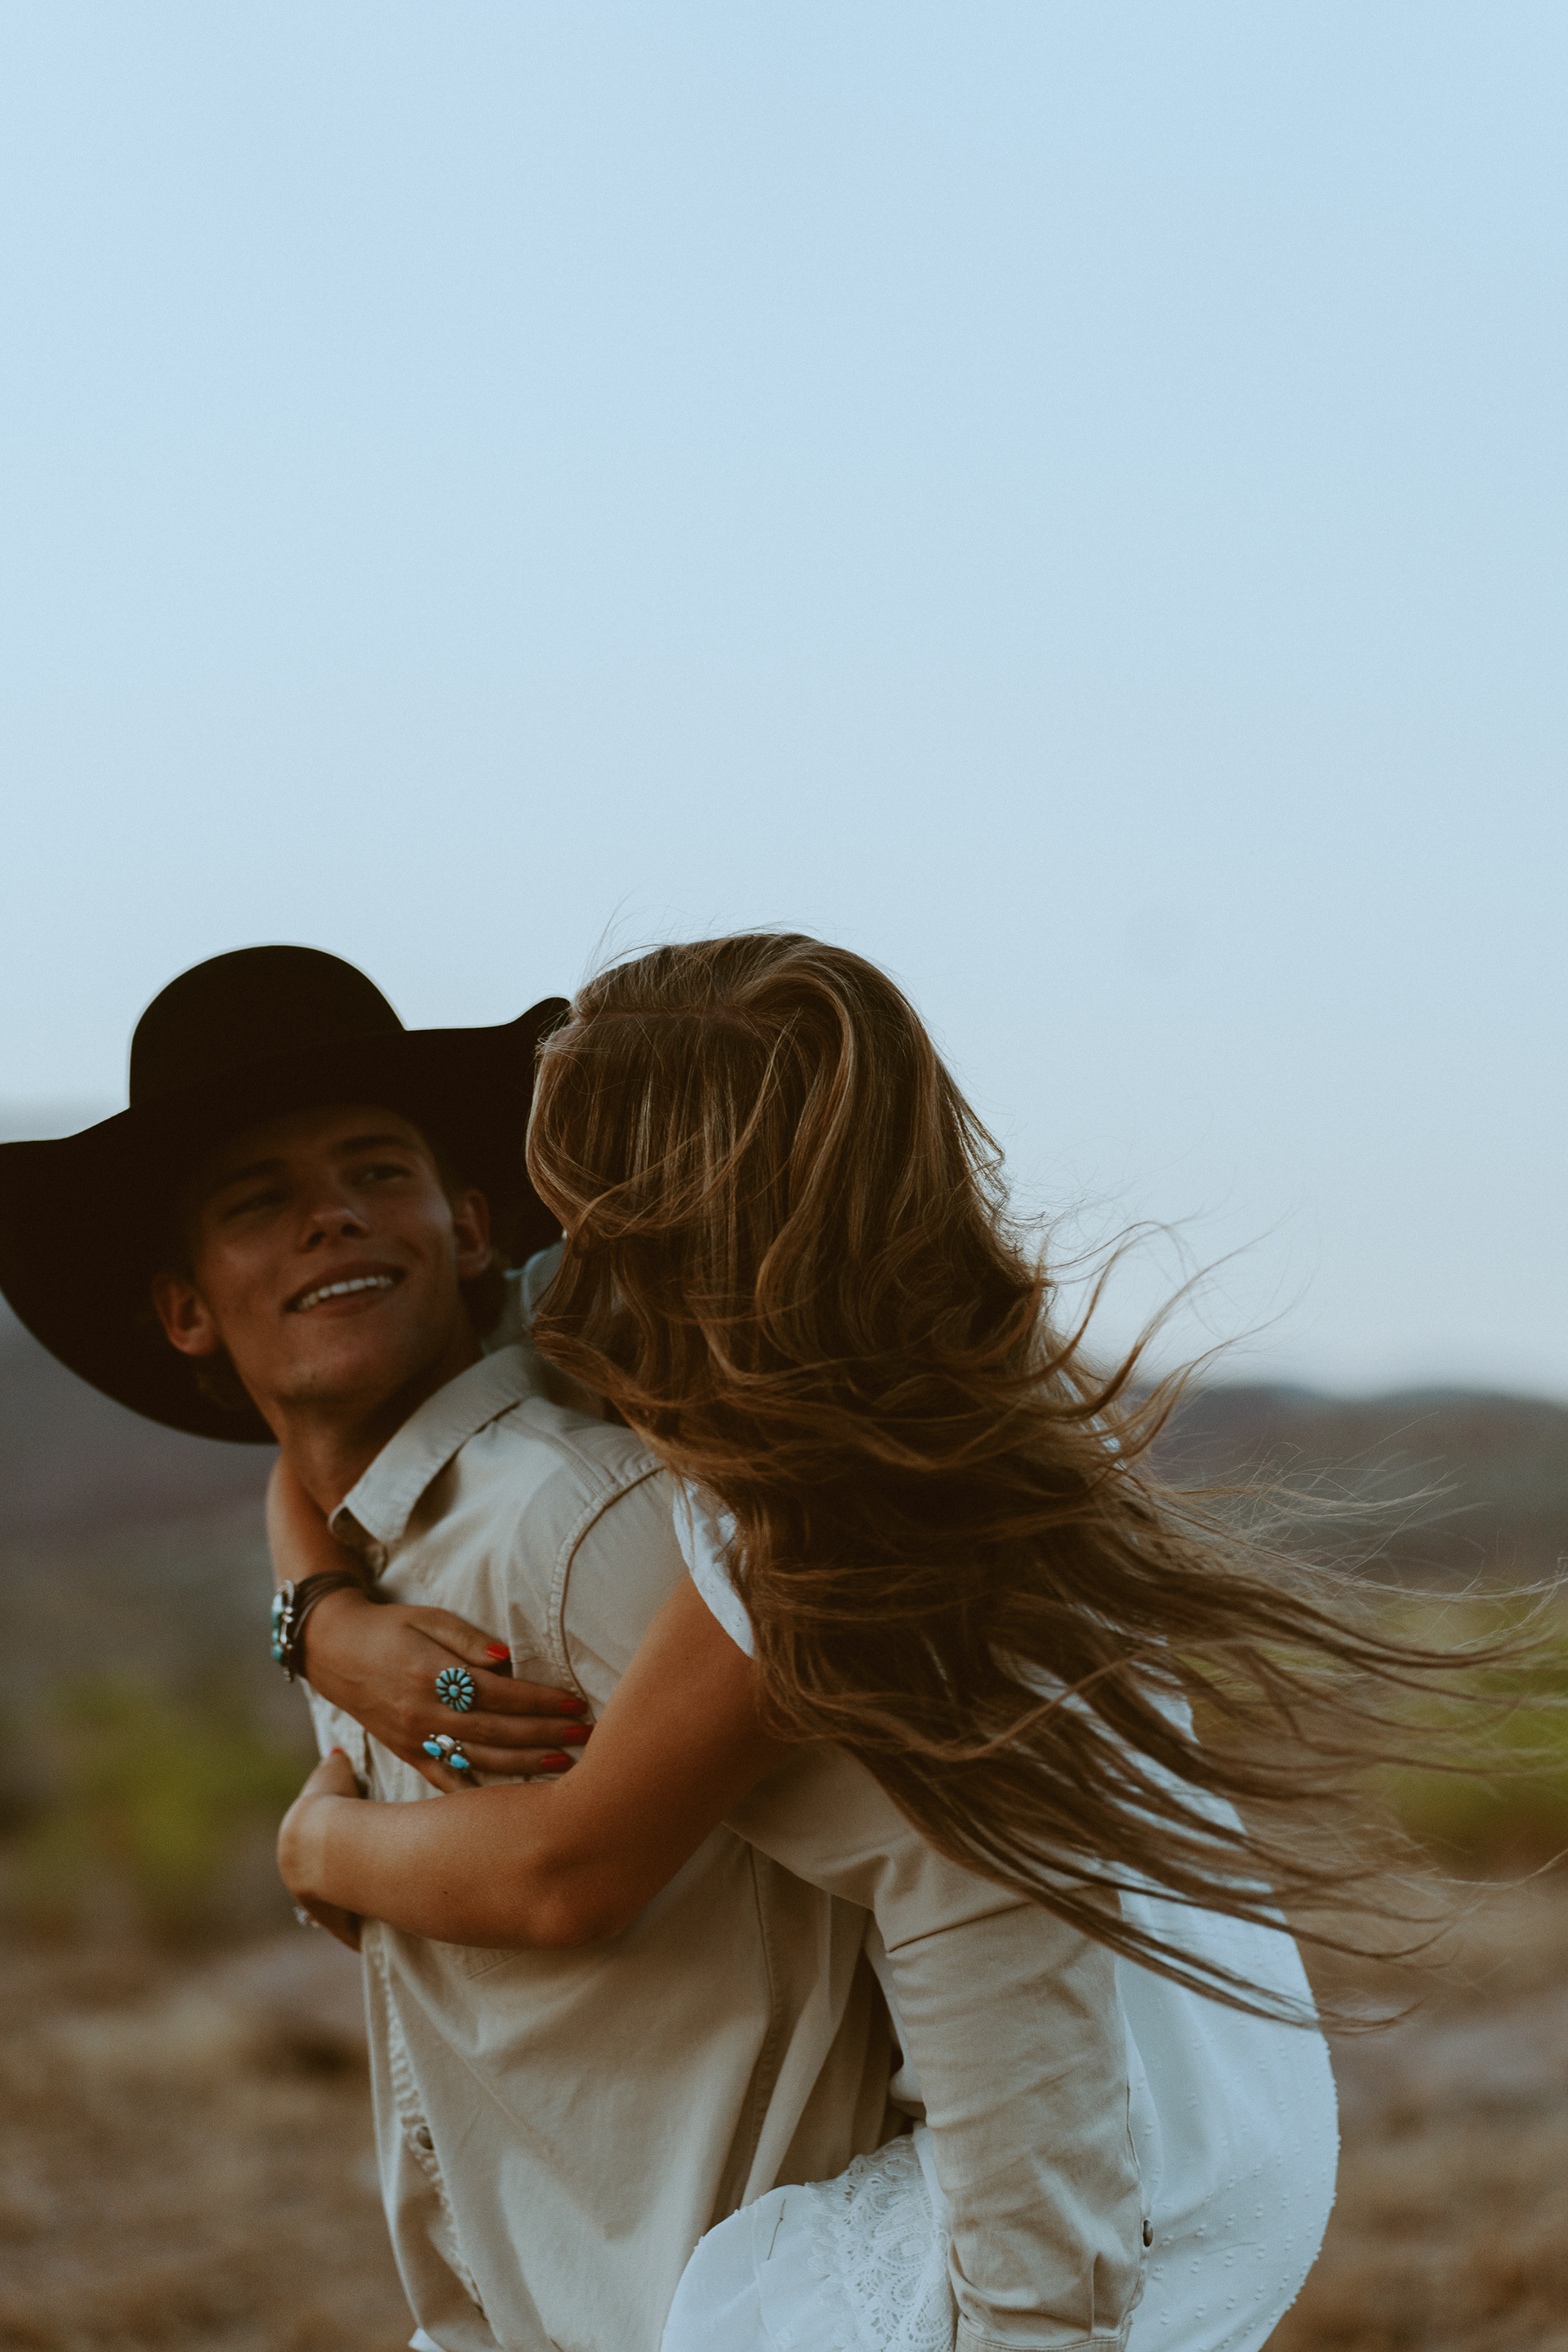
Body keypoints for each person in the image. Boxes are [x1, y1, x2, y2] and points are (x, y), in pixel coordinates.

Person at [0, 944, 1153, 2352]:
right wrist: (317, 1617)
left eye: (376, 1171)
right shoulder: (377, 1556)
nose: (331, 1221)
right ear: (185, 1309)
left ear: (472, 1226)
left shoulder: (582, 1530)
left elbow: (970, 1852)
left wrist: (1039, 2324)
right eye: (260, 1203)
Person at [273, 933, 1372, 2352]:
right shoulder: (902, 1404)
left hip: (1130, 2154)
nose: (563, 1262)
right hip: (1223, 2095)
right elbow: (303, 1452)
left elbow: (586, 1865)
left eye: (582, 1213)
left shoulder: (806, 1542)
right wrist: (325, 1622)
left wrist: (317, 1849)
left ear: (660, 1230)